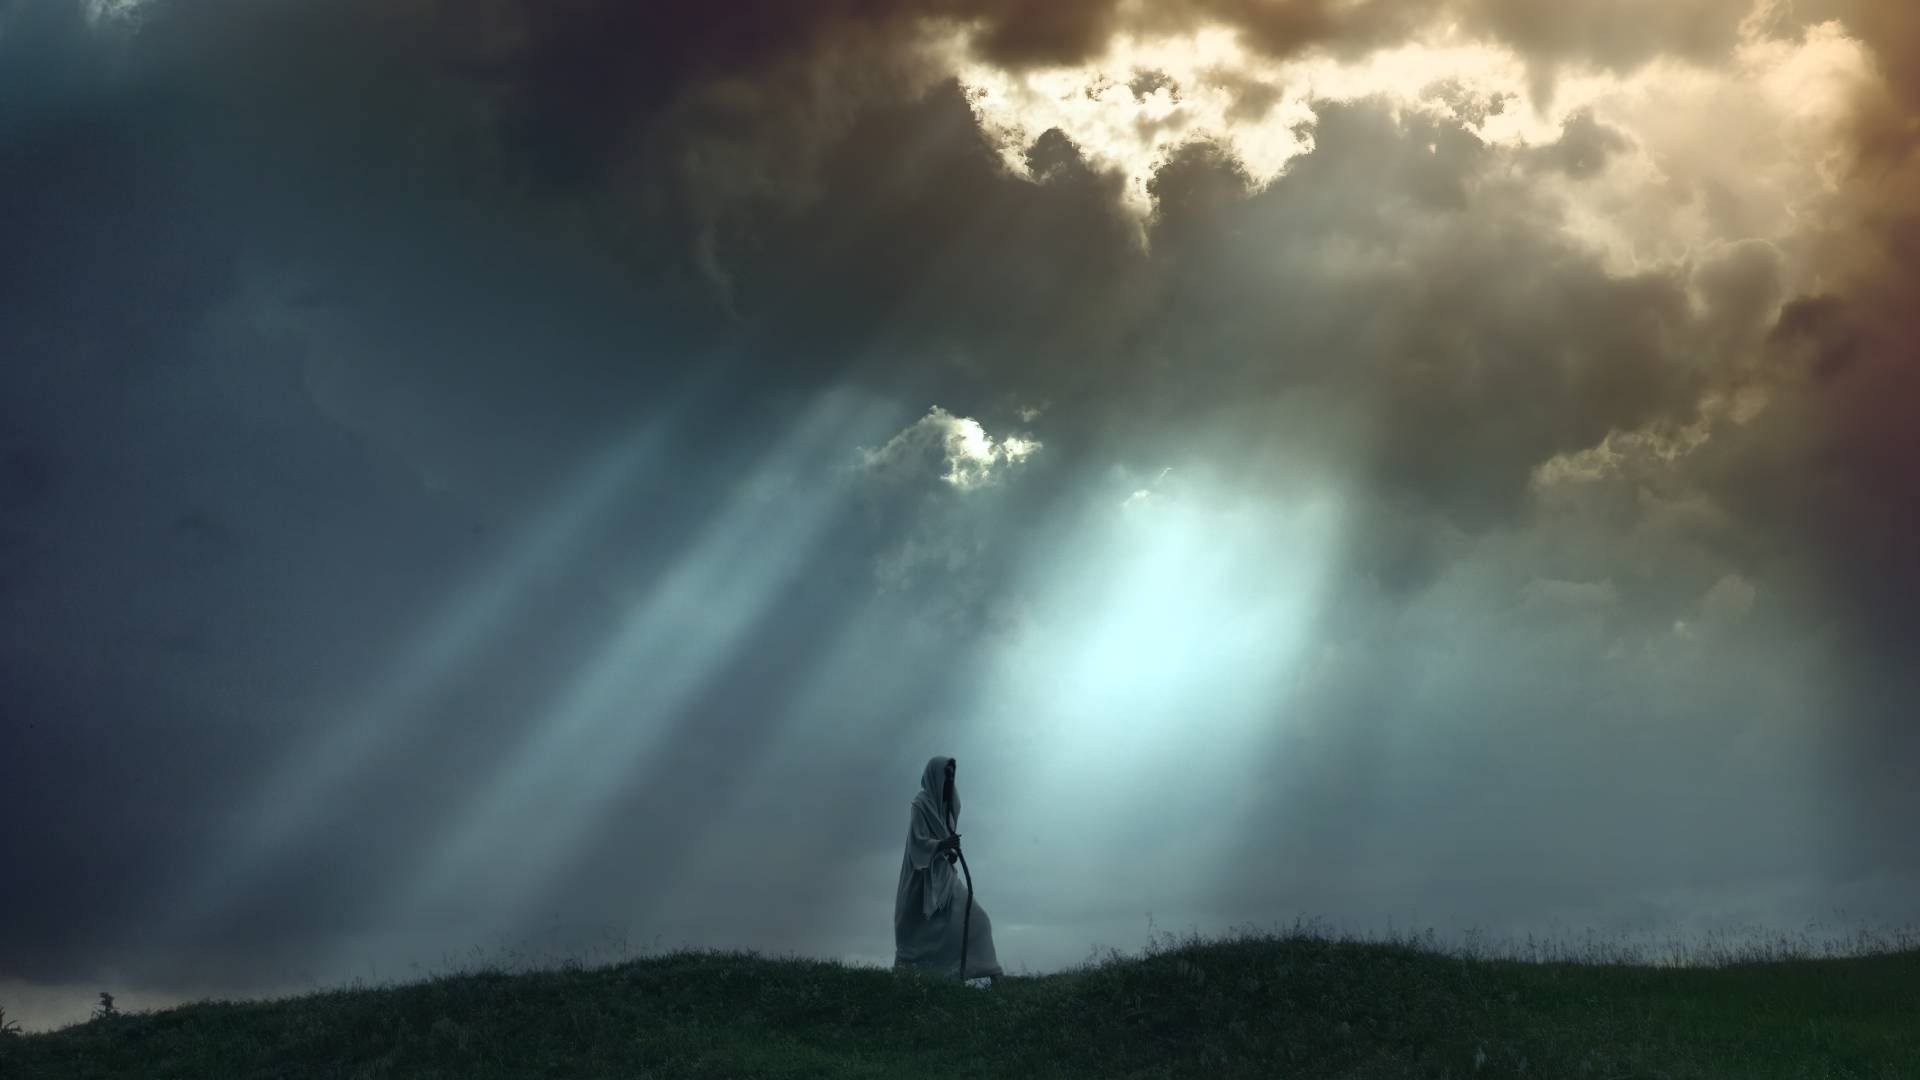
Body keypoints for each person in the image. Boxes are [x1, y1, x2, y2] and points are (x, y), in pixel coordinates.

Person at [893, 755, 1002, 984]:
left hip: (944, 877)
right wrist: (943, 845)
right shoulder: (920, 803)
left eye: (953, 775)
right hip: (921, 881)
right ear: (935, 775)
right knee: (920, 935)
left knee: (977, 919)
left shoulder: (948, 806)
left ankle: (994, 974)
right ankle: (930, 977)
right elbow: (917, 842)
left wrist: (948, 853)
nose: (950, 779)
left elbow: (943, 842)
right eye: (947, 774)